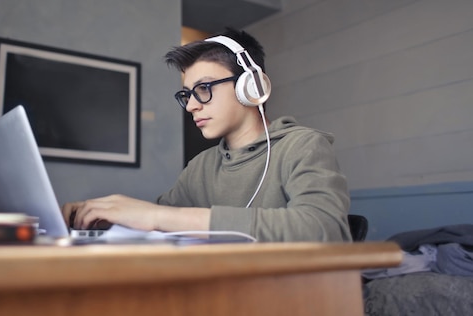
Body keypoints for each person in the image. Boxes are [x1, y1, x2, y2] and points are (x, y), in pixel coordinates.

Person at [63, 28, 351, 242]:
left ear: (251, 86)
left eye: (204, 88)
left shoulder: (303, 146)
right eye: (187, 94)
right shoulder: (200, 166)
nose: (191, 105)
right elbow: (155, 224)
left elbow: (324, 228)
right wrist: (101, 216)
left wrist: (160, 217)